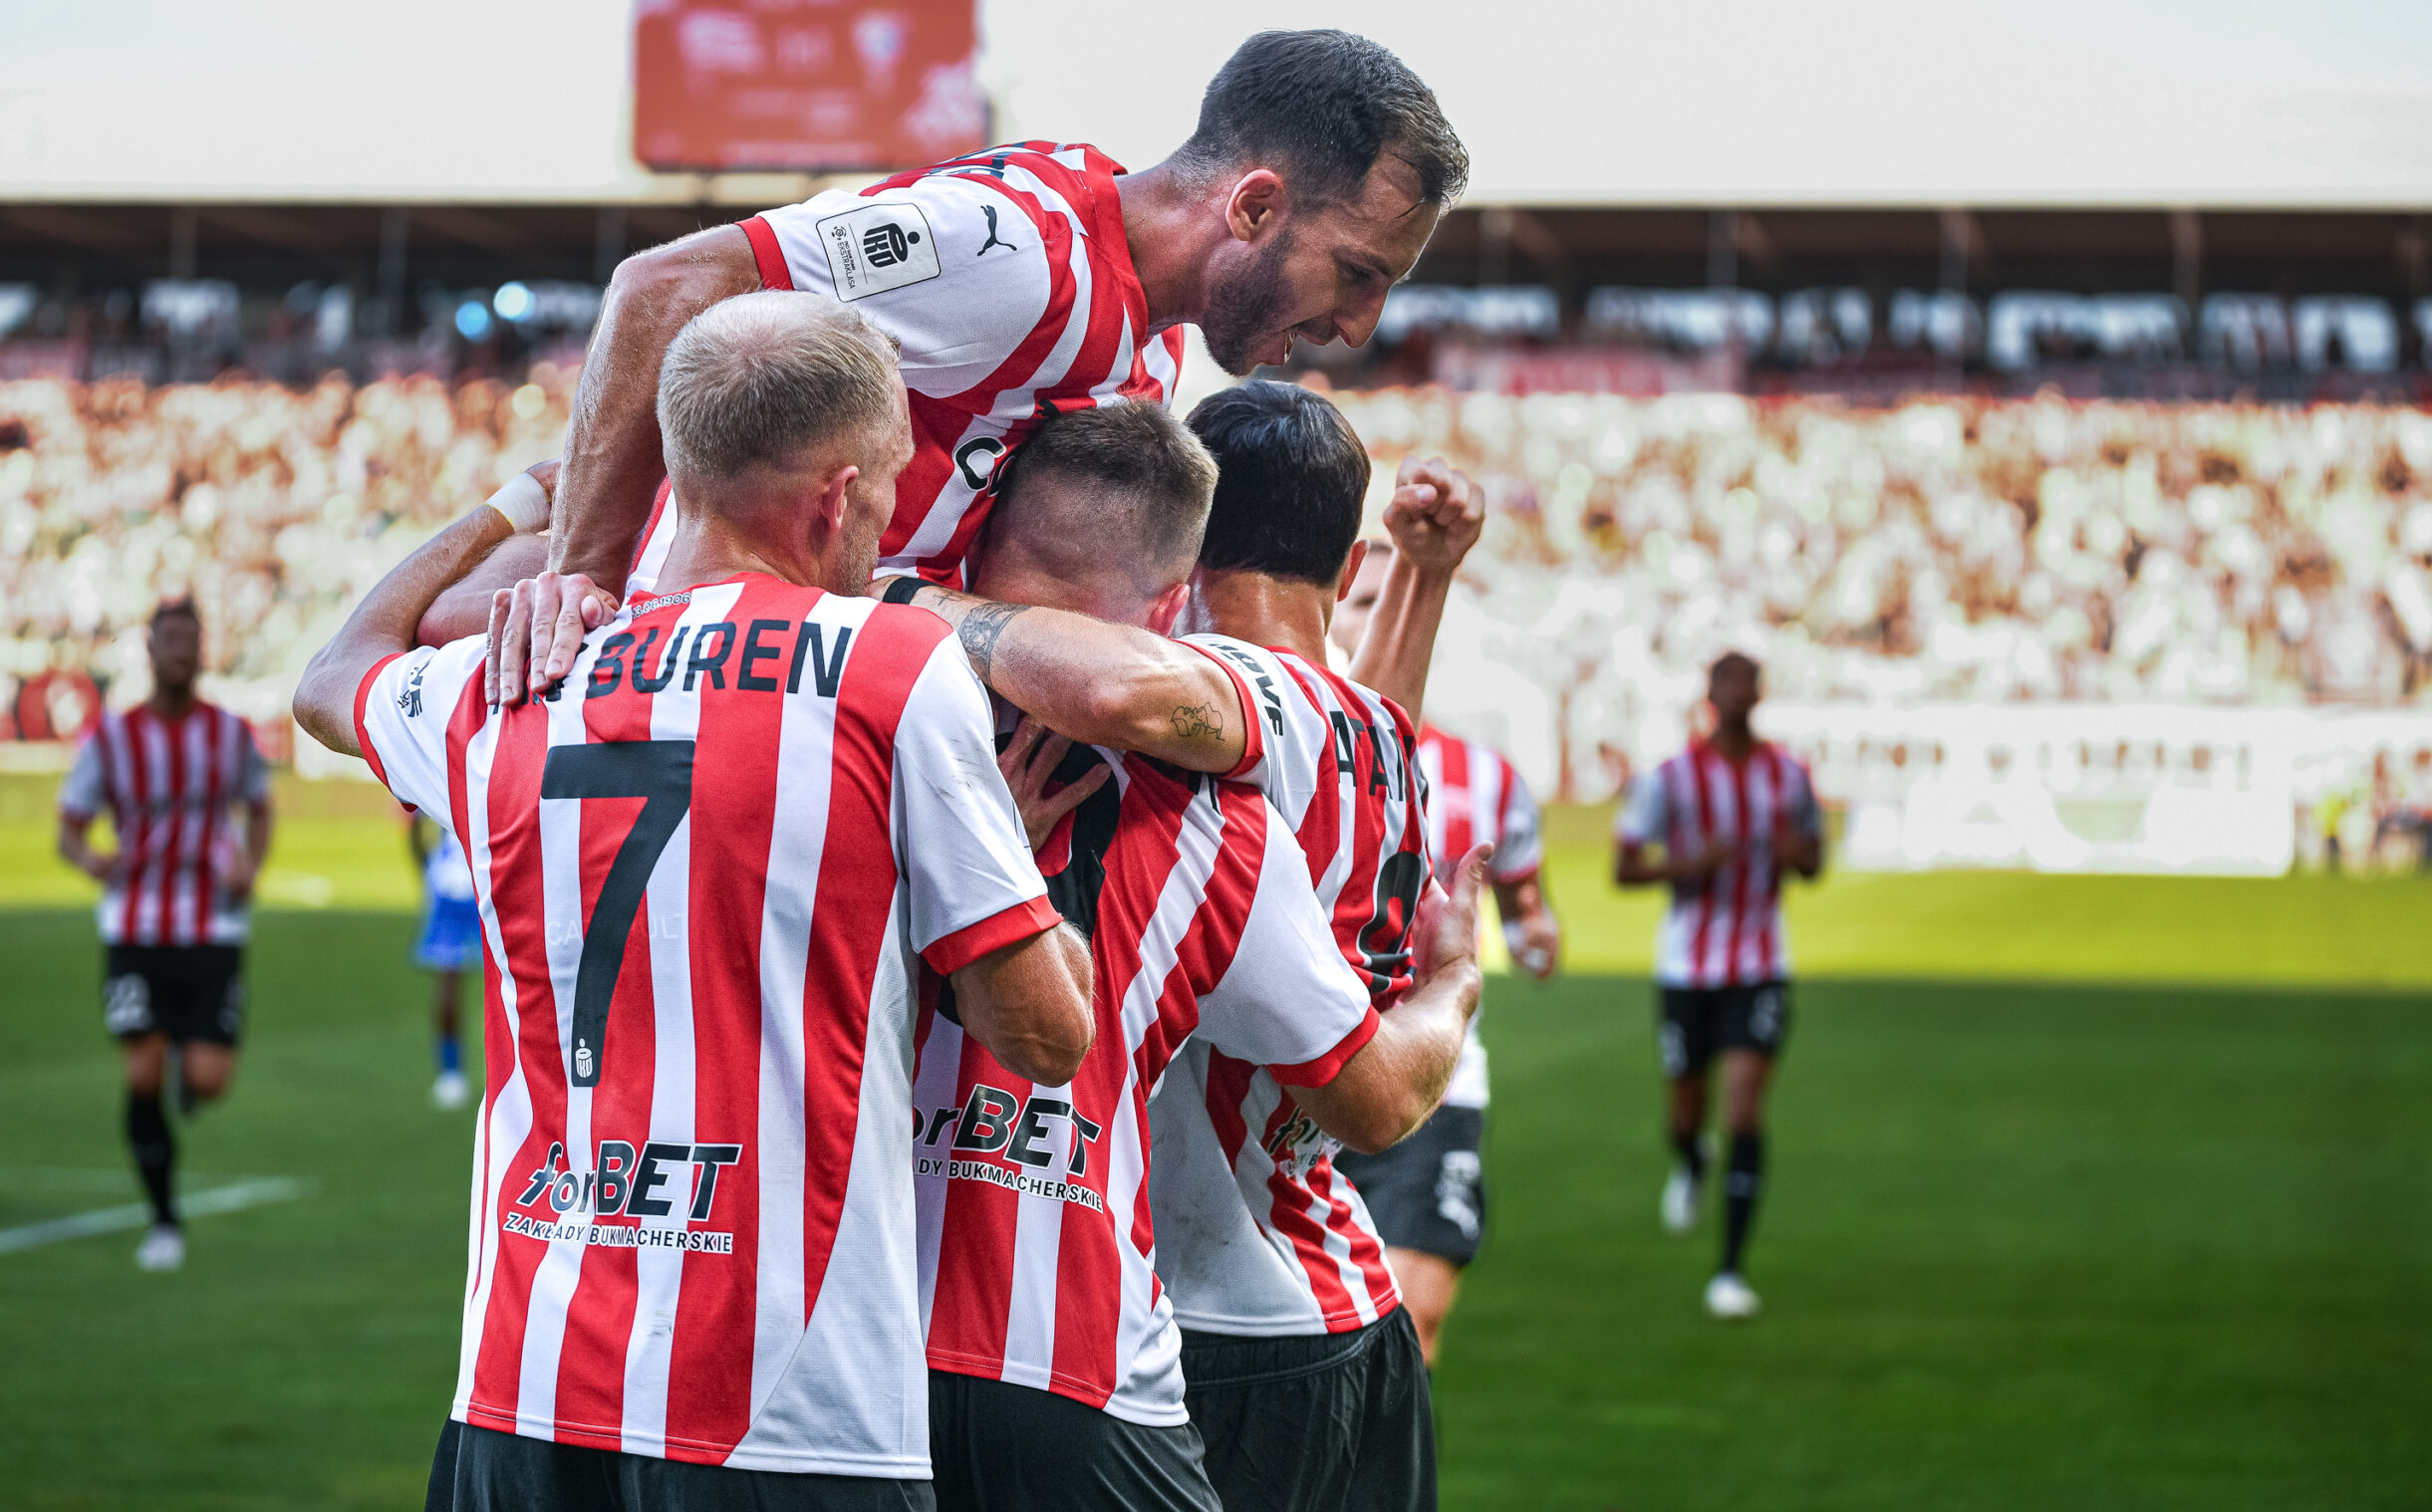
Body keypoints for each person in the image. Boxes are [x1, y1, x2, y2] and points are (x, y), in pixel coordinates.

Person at [295, 292, 1095, 1510]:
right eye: (881, 493)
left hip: (524, 1391)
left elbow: (333, 677)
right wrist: (1016, 871)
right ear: (838, 495)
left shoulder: (515, 674)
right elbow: (1044, 1036)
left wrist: (525, 505)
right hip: (788, 1412)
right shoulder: (888, 662)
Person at [452, 28, 1471, 693]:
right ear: (1252, 205)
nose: (1358, 329)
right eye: (1355, 274)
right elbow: (663, 286)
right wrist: (578, 576)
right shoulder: (1019, 247)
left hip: (846, 702)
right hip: (715, 685)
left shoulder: (1151, 342)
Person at [888, 379, 1483, 1512]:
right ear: (1344, 569)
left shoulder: (1235, 711)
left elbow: (1134, 691)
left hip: (1209, 1308)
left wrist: (891, 598)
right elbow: (1348, 709)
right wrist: (1427, 581)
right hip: (1337, 1281)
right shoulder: (1379, 736)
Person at [1329, 538, 1562, 1367]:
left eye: (1403, 602)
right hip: (1297, 1074)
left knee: (1406, 1325)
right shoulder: (1287, 750)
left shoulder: (1486, 776)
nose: (1382, 621)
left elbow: (1528, 904)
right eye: (1364, 602)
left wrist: (1536, 936)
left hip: (1432, 1075)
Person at [57, 596, 273, 1273]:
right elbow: (70, 825)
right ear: (149, 649)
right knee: (140, 1067)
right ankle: (164, 1218)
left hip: (213, 926)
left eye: (191, 638)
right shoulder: (111, 739)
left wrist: (250, 862)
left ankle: (187, 1056)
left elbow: (260, 807)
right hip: (135, 926)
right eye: (169, 638)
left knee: (208, 1080)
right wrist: (90, 856)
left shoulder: (231, 735)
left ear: (201, 650)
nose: (181, 649)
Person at [1613, 650, 1821, 1322]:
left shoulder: (1787, 774)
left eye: (1745, 682)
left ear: (1758, 692)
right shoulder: (1672, 778)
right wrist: (1687, 865)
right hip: (1687, 968)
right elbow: (1625, 867)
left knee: (1742, 1110)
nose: (1734, 693)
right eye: (1723, 682)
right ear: (1710, 694)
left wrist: (1798, 855)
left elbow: (1815, 856)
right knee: (1686, 1111)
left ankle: (1730, 1269)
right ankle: (1692, 1157)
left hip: (1760, 964)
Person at [406, 808, 480, 1109]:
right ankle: (452, 1072)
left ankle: (452, 1074)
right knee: (451, 986)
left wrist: (425, 866)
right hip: (463, 880)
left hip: (466, 877)